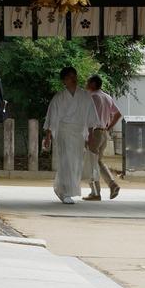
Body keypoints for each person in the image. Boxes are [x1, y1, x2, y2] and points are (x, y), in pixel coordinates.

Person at [43, 66, 103, 204]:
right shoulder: (59, 97)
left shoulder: (84, 96)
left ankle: (64, 189)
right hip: (63, 132)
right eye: (70, 77)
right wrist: (48, 136)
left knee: (76, 163)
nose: (73, 79)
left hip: (78, 133)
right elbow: (52, 117)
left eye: (74, 76)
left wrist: (91, 135)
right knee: (66, 162)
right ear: (64, 80)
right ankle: (65, 192)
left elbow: (90, 116)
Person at [84, 75, 122, 200]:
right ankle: (112, 184)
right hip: (104, 133)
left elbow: (88, 117)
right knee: (98, 161)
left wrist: (87, 134)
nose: (86, 83)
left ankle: (96, 192)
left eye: (88, 82)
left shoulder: (93, 97)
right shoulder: (107, 97)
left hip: (94, 133)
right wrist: (108, 127)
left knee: (91, 162)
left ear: (93, 84)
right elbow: (118, 114)